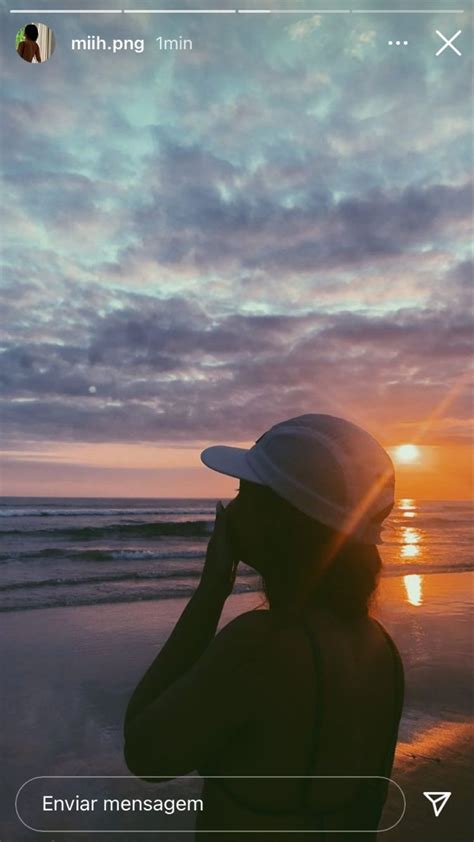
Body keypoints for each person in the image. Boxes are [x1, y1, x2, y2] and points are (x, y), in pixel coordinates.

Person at [123, 414, 404, 840]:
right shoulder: (380, 648)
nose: (230, 510)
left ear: (277, 521)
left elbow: (145, 754)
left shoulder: (260, 645)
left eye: (242, 494)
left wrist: (211, 590)